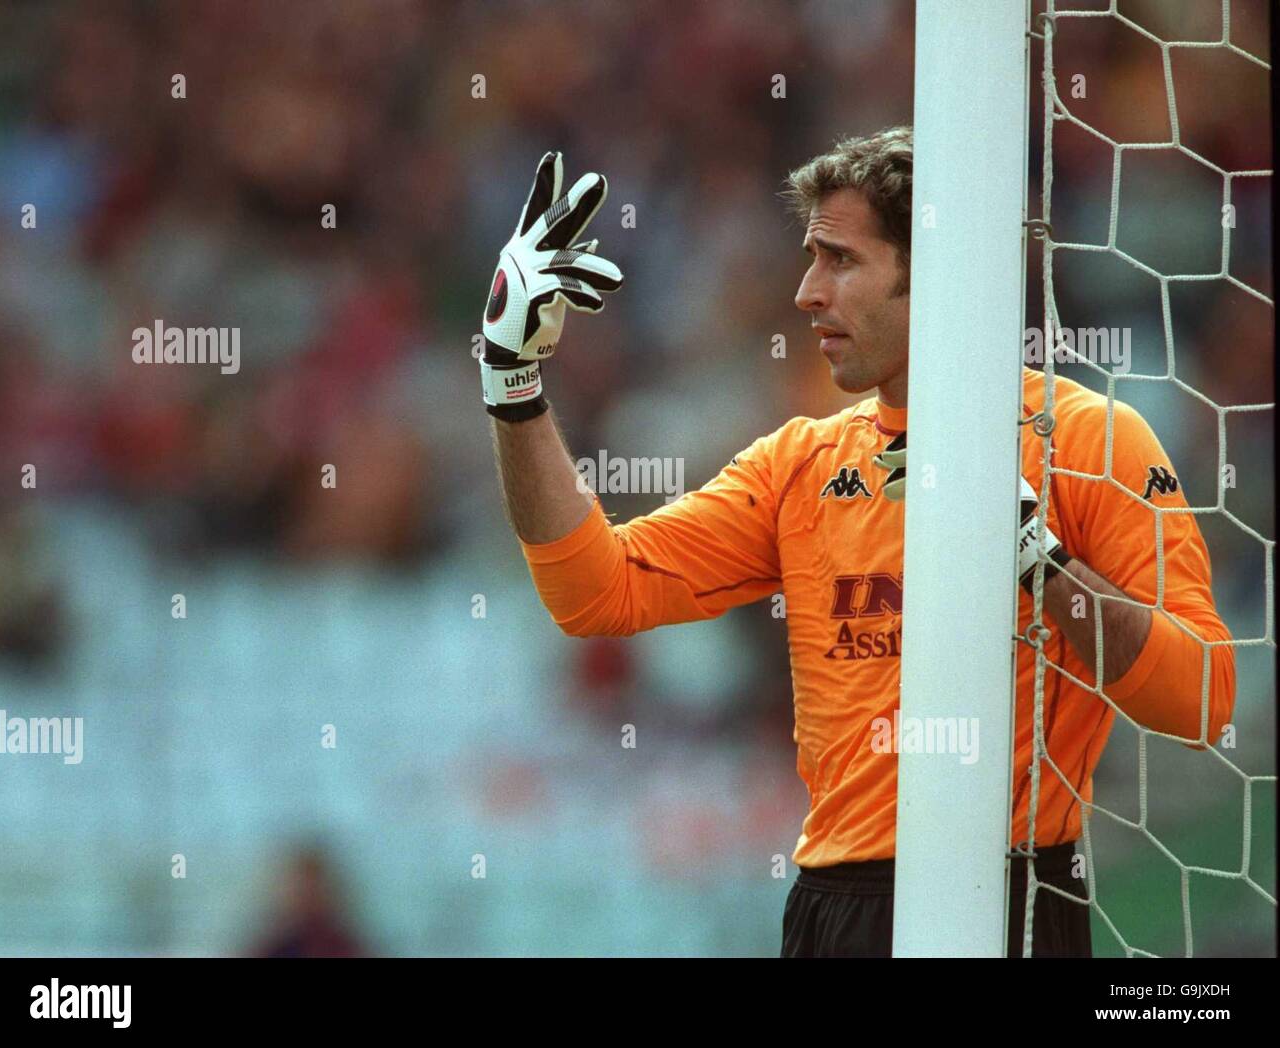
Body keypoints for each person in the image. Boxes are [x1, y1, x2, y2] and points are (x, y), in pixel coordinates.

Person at [477, 130, 1235, 957]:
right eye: (810, 257)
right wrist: (513, 384)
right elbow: (594, 593)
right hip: (834, 911)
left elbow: (1201, 704)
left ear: (935, 270)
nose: (806, 292)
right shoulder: (800, 463)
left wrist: (1034, 558)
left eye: (839, 260)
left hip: (1013, 893)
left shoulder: (1087, 441)